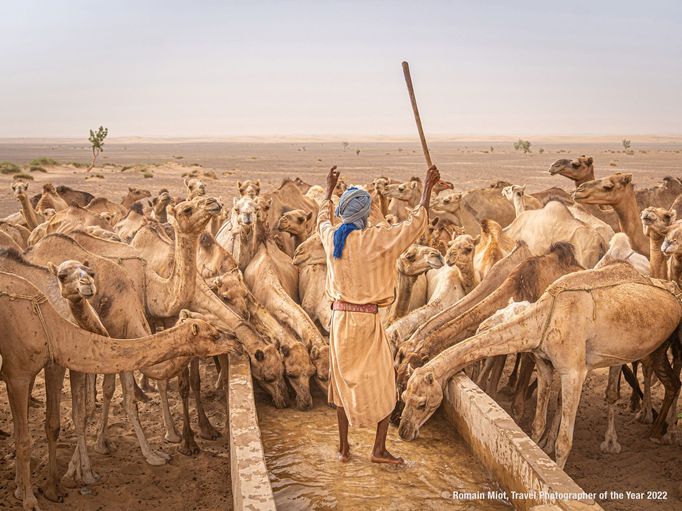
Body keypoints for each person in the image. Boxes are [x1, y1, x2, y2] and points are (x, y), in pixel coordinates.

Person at [317, 164, 440, 464]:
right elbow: (414, 225)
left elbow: (321, 219)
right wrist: (427, 187)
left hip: (340, 321)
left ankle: (344, 449)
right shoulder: (378, 239)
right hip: (368, 322)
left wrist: (328, 189)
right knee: (386, 384)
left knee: (342, 383)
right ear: (364, 214)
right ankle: (378, 449)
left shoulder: (332, 238)